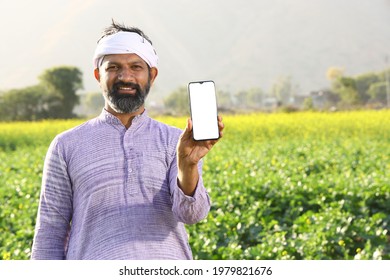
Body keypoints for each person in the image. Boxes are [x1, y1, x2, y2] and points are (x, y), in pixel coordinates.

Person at [31, 21, 224, 260]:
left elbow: (192, 214)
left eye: (136, 67)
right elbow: (50, 232)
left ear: (151, 75)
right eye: (113, 67)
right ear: (97, 75)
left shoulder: (176, 141)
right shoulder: (66, 145)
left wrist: (188, 165)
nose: (125, 77)